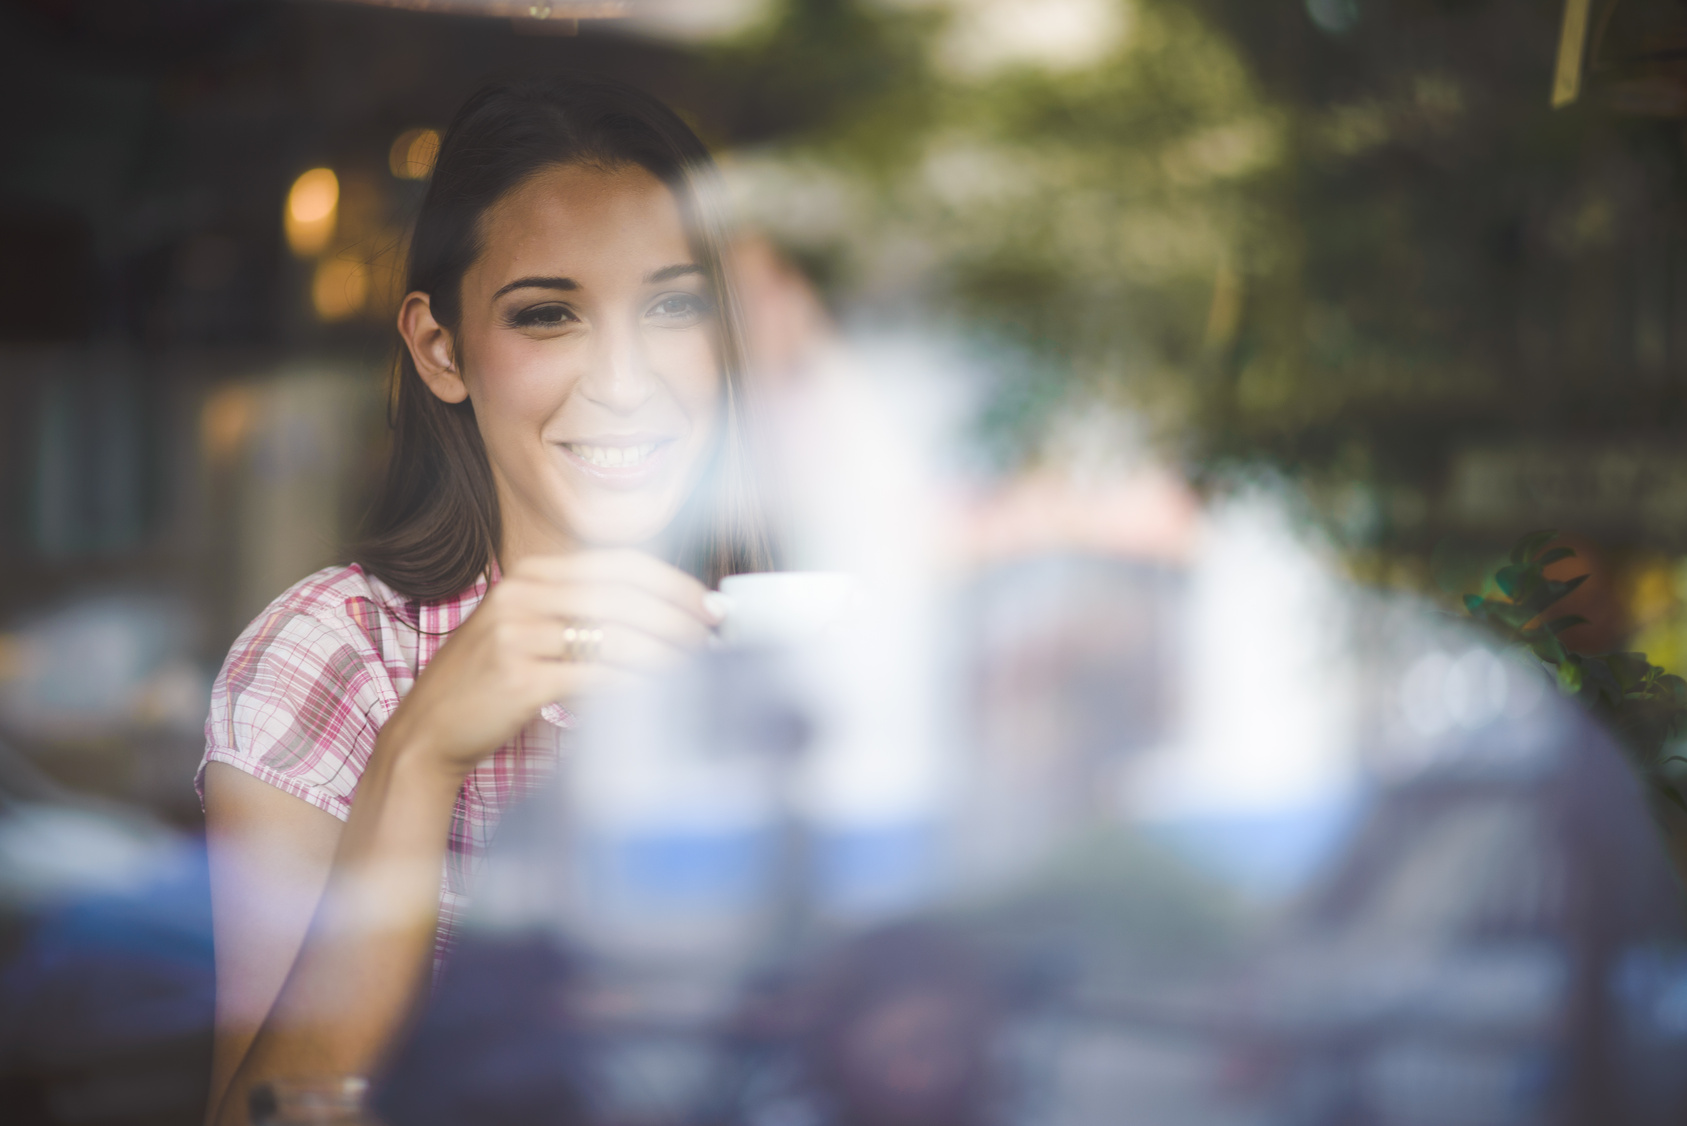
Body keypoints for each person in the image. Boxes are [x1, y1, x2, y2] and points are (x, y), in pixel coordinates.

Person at [197, 77, 770, 1126]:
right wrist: (419, 757)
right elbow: (263, 1117)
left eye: (673, 305)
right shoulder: (336, 656)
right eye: (549, 314)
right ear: (440, 350)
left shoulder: (806, 644)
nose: (626, 379)